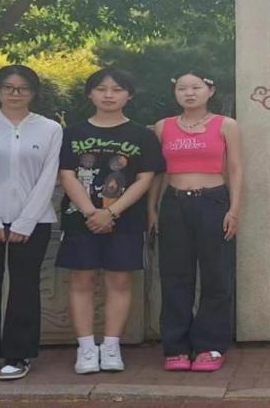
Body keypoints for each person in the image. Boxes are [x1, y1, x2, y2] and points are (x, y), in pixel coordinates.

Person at [56, 68, 163, 374]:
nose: (108, 95)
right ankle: (86, 348)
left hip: (126, 221)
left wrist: (111, 212)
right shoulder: (72, 133)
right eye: (101, 89)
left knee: (119, 280)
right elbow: (67, 175)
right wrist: (92, 212)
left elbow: (145, 178)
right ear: (90, 94)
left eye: (117, 89)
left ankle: (112, 346)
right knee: (81, 280)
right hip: (80, 218)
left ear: (129, 95)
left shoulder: (143, 135)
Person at [0, 65, 62, 381]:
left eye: (23, 88)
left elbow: (48, 177)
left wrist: (26, 221)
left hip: (33, 221)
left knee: (25, 286)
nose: (15, 93)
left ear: (33, 92)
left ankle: (18, 355)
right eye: (8, 87)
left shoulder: (49, 129)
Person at [147, 71, 243, 372]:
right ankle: (175, 347)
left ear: (210, 90)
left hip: (213, 201)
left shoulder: (226, 125)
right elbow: (157, 172)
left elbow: (236, 169)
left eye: (196, 87)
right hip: (174, 203)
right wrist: (152, 208)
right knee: (175, 276)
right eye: (182, 88)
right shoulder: (163, 127)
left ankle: (210, 346)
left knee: (216, 275)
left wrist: (234, 210)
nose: (189, 93)